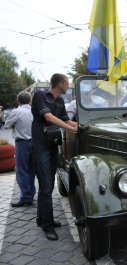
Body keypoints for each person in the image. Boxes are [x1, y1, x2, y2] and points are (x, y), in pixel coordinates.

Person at [31, 73, 78, 241]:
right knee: (46, 187)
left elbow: (66, 119)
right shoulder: (40, 95)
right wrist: (71, 129)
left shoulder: (59, 101)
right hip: (41, 146)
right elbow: (48, 117)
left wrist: (83, 126)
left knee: (48, 184)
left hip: (52, 145)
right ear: (60, 84)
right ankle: (47, 225)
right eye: (67, 83)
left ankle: (41, 219)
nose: (68, 85)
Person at [4, 92, 36, 207]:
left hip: (22, 143)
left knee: (22, 171)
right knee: (31, 170)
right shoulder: (34, 111)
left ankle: (26, 197)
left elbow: (7, 125)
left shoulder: (16, 112)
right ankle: (31, 194)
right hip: (35, 143)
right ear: (30, 100)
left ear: (18, 101)